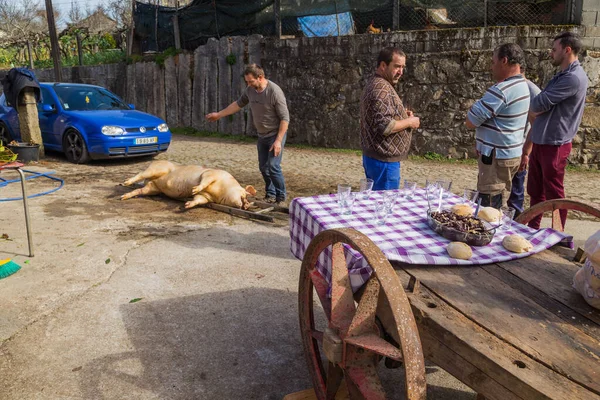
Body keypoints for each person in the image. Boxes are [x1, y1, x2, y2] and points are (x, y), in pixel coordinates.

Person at [524, 31, 588, 229]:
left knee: (554, 193)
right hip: (543, 139)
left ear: (567, 50)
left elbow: (539, 103)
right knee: (536, 190)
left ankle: (558, 234)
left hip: (555, 143)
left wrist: (535, 105)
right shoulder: (563, 75)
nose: (551, 53)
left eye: (554, 49)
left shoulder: (573, 78)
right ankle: (533, 228)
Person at [206, 64, 289, 204]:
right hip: (262, 134)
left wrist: (278, 141)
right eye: (247, 82)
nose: (248, 84)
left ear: (260, 77)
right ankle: (270, 194)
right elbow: (238, 104)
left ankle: (281, 198)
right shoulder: (250, 90)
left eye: (251, 81)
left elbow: (285, 119)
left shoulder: (274, 92)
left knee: (273, 167)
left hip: (275, 134)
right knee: (263, 167)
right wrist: (219, 115)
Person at [465, 43, 530, 209]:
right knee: (498, 200)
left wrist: (478, 103)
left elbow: (470, 121)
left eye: (493, 62)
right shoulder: (524, 85)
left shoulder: (501, 90)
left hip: (495, 158)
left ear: (504, 61)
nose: (491, 66)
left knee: (488, 206)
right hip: (510, 152)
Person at [360, 47, 420, 191]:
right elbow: (385, 126)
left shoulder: (378, 84)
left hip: (379, 159)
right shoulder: (381, 89)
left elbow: (380, 117)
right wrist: (410, 122)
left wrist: (402, 115)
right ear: (383, 65)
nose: (401, 72)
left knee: (378, 203)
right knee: (384, 205)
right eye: (397, 66)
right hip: (383, 162)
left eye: (403, 67)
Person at [507, 66, 541, 218]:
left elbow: (536, 124)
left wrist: (526, 151)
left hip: (519, 147)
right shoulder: (506, 86)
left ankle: (516, 222)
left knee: (516, 191)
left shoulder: (531, 90)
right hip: (506, 147)